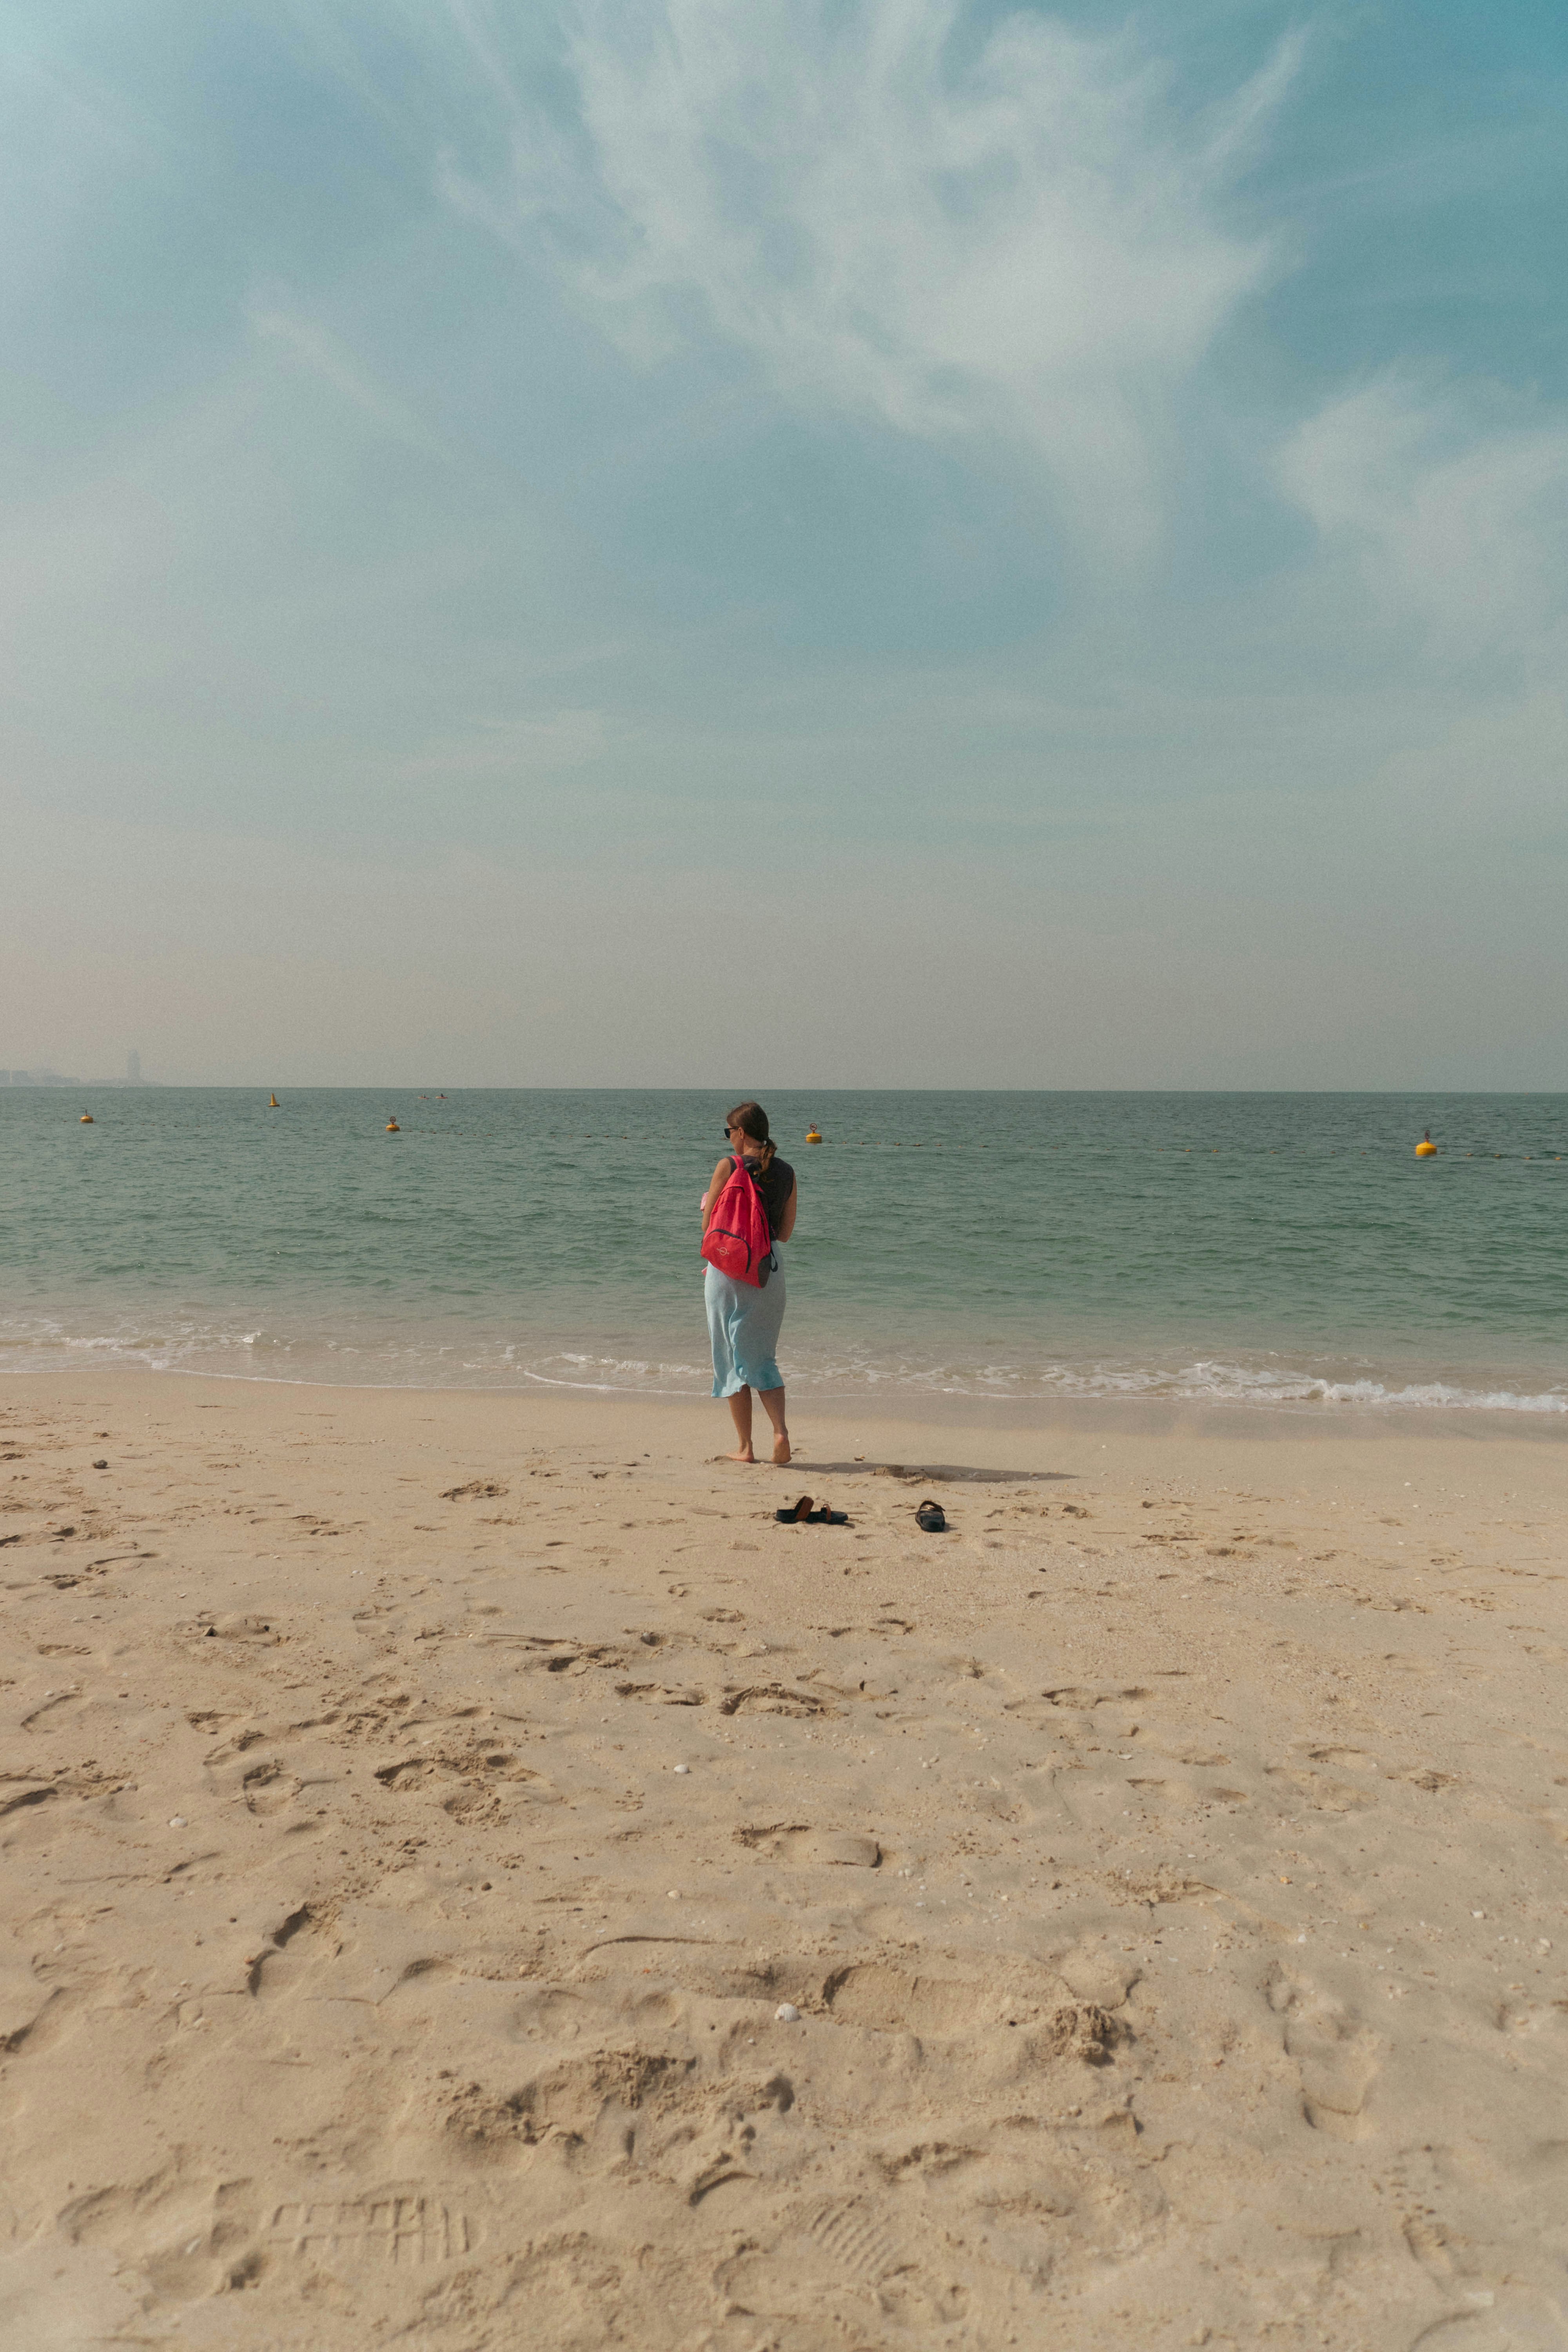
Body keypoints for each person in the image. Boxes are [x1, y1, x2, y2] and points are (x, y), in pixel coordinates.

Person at [701, 1101, 797, 1464]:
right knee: (763, 1358)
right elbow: (785, 1233)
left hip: (728, 1271)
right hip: (767, 1270)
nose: (729, 1140)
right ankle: (780, 1432)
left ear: (741, 1133)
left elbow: (709, 1228)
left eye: (730, 1133)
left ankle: (745, 1448)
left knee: (729, 1357)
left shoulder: (728, 1165)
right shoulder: (787, 1172)